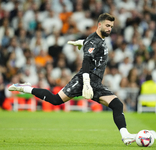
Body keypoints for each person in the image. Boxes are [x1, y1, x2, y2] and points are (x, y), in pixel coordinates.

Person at [8, 13, 136, 145]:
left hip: (96, 83)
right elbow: (86, 61)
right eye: (107, 25)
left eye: (111, 26)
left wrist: (81, 43)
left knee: (117, 105)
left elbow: (90, 45)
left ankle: (125, 136)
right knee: (55, 100)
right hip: (83, 81)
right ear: (99, 24)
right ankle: (25, 88)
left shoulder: (96, 39)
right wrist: (86, 83)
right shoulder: (93, 40)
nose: (109, 29)